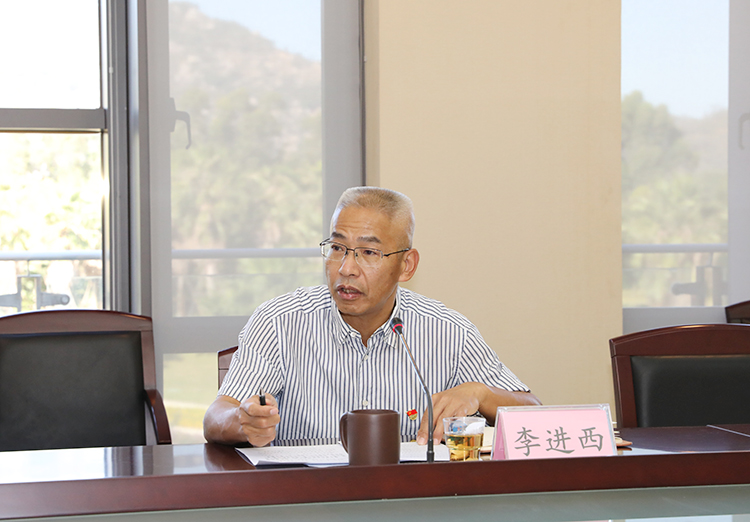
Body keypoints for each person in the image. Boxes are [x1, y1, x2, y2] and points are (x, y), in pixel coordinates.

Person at [203, 187, 540, 447]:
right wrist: (243, 422)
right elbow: (216, 416)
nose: (346, 269)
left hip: (410, 502)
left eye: (368, 252)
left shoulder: (448, 331)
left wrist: (480, 393)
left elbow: (535, 414)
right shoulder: (279, 322)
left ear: (406, 265)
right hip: (307, 501)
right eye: (337, 248)